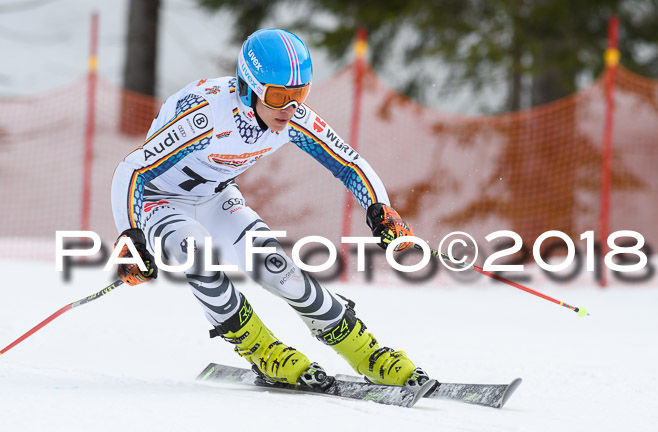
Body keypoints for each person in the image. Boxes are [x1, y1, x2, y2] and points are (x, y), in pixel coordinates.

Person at [111, 28, 428, 388]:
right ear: (249, 88)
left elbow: (349, 163)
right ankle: (261, 350)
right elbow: (131, 171)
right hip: (159, 200)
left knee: (278, 270)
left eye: (300, 94)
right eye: (279, 96)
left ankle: (363, 351)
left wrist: (381, 211)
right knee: (195, 254)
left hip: (216, 197)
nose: (290, 109)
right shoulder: (207, 117)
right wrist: (130, 238)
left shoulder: (291, 119)